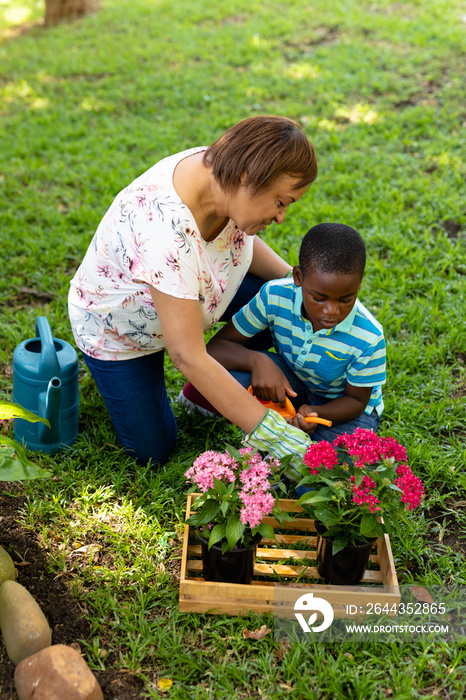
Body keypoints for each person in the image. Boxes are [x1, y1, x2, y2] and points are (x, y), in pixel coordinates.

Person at [68, 115, 318, 468]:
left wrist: (301, 286)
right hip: (123, 335)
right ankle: (187, 383)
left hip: (196, 294)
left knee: (281, 298)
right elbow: (187, 356)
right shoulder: (164, 232)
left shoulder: (224, 171)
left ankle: (202, 395)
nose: (281, 217)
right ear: (250, 177)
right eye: (282, 202)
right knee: (153, 451)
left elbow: (241, 243)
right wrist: (274, 435)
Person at [198, 223, 386, 449]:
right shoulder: (275, 296)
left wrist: (315, 413)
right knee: (235, 377)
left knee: (331, 461)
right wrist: (259, 361)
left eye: (346, 299)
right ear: (298, 277)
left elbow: (356, 401)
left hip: (343, 408)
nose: (331, 311)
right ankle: (281, 433)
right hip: (293, 382)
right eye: (319, 298)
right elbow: (216, 348)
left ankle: (287, 437)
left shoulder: (369, 335)